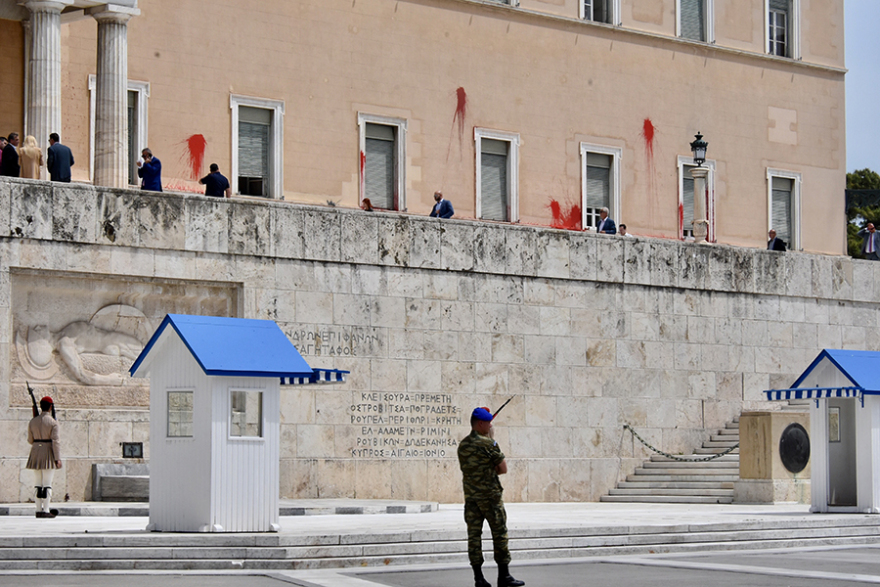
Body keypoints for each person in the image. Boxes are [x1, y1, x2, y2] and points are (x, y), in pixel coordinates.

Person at [458, 407, 525, 587]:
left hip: (472, 499)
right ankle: (504, 576)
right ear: (480, 424)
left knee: (474, 537)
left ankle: (478, 578)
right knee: (500, 535)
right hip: (490, 498)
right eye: (488, 422)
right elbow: (503, 469)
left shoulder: (463, 445)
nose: (490, 424)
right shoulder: (489, 444)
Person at [27, 396, 62, 519]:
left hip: (36, 452)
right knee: (47, 484)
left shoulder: (33, 421)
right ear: (51, 407)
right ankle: (46, 510)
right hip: (48, 452)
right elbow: (55, 442)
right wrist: (58, 458)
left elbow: (30, 440)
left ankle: (38, 509)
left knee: (38, 483)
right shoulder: (53, 423)